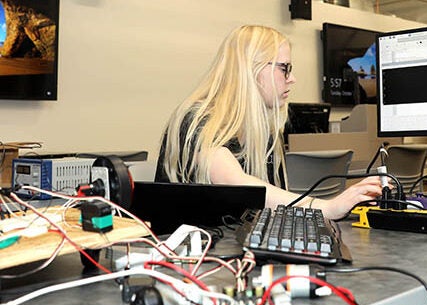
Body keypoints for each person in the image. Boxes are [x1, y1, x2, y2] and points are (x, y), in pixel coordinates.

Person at [155, 25, 383, 220]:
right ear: (252, 69)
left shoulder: (263, 131)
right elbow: (233, 181)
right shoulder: (197, 119)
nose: (291, 78)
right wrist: (327, 207)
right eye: (284, 68)